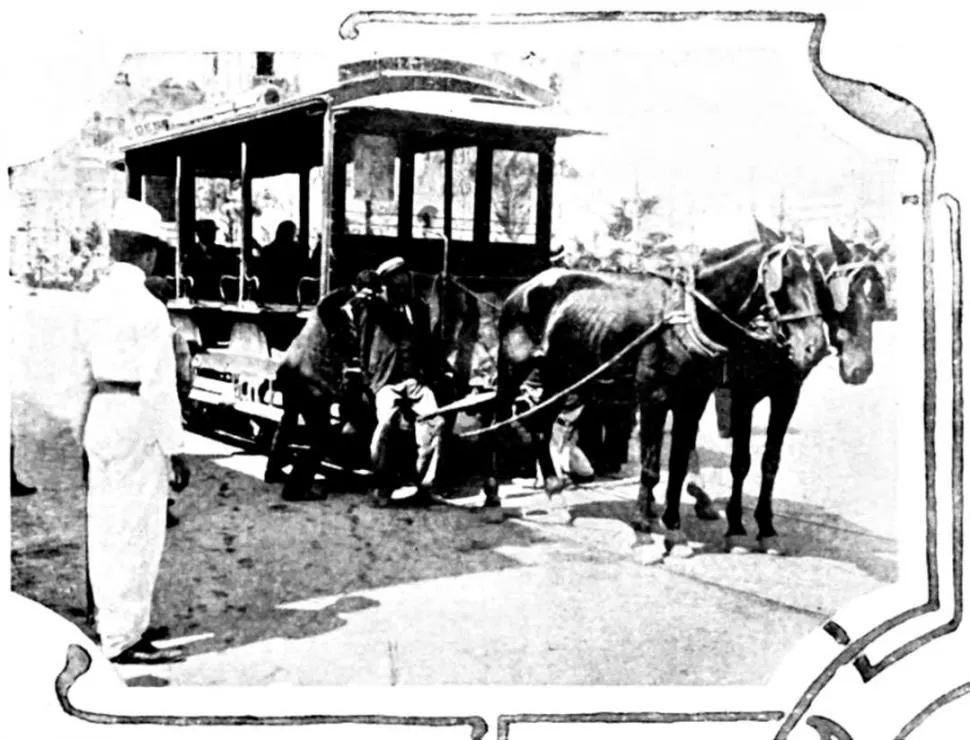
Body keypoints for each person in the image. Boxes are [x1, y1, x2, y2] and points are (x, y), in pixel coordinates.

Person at [76, 198, 190, 665]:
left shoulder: (92, 301)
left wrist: (81, 428)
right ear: (148, 253)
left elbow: (77, 372)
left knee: (107, 526)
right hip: (136, 416)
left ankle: (117, 623)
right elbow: (161, 387)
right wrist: (175, 448)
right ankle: (124, 637)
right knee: (139, 531)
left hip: (102, 412)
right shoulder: (148, 307)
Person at [357, 256, 447, 508]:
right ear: (386, 285)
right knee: (387, 424)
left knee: (435, 422)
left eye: (406, 284)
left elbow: (426, 344)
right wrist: (366, 379)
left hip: (414, 380)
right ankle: (382, 487)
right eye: (397, 285)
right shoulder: (374, 308)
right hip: (386, 381)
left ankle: (426, 487)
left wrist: (436, 373)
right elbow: (363, 343)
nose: (403, 289)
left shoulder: (418, 308)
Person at [145, 276, 197, 528]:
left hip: (135, 402)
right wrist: (181, 398)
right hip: (162, 401)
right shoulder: (171, 333)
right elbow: (184, 372)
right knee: (161, 457)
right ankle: (160, 509)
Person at [259, 221, 305, 304]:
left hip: (269, 294)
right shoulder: (297, 250)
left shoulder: (267, 250)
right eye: (294, 233)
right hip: (291, 293)